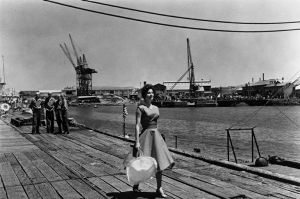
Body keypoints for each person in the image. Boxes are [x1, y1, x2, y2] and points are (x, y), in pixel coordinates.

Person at [134, 84, 174, 198]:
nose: (151, 95)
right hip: (145, 136)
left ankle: (159, 188)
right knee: (142, 162)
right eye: (148, 93)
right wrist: (137, 141)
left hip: (156, 136)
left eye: (152, 93)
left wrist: (160, 137)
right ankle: (136, 184)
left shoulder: (156, 108)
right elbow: (137, 125)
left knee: (159, 163)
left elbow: (156, 123)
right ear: (144, 95)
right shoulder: (140, 108)